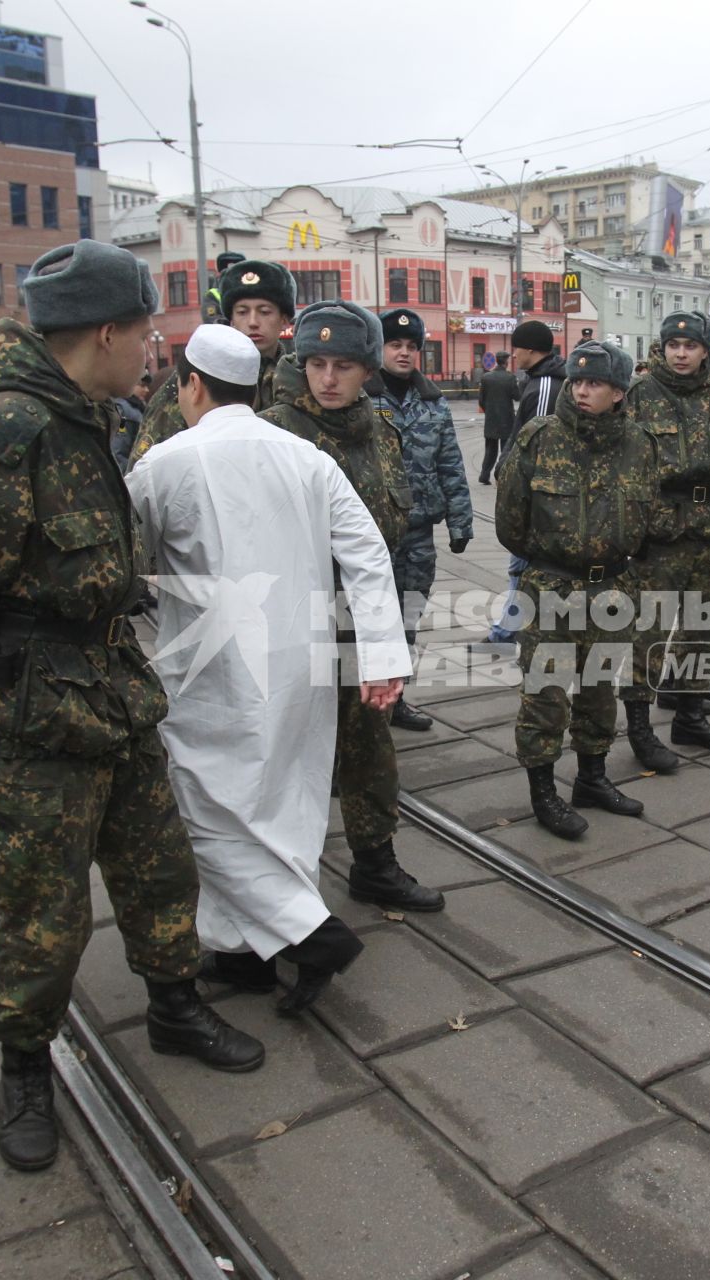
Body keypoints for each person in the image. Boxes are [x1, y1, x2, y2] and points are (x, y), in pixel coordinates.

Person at [0, 239, 265, 1175]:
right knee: (43, 913)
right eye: (147, 332)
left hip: (111, 690)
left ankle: (173, 1007)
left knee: (159, 867)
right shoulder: (8, 433)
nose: (158, 351)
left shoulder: (88, 416)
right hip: (32, 714)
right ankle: (24, 1068)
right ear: (103, 333)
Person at [128, 325, 408, 1015]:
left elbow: (124, 556)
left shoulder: (165, 461)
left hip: (212, 666)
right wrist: (382, 659)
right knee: (286, 804)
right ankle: (242, 955)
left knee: (207, 809)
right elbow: (369, 556)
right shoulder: (307, 458)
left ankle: (312, 936)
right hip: (302, 662)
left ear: (190, 384)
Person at [263, 300, 443, 913]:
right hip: (291, 626)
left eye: (343, 364)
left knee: (369, 746)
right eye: (317, 363)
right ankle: (281, 884)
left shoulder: (380, 432)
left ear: (366, 369)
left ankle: (374, 861)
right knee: (284, 755)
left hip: (361, 621)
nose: (329, 378)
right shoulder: (272, 434)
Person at [497, 340, 655, 839]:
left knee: (599, 690)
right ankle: (543, 792)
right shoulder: (539, 437)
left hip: (611, 588)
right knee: (546, 693)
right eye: (579, 382)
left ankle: (592, 777)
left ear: (619, 393)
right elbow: (509, 520)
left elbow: (645, 514)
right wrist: (556, 556)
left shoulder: (638, 443)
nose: (584, 391)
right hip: (552, 586)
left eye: (597, 384)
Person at [619, 311, 710, 759]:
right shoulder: (637, 396)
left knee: (704, 628)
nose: (681, 354)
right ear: (662, 346)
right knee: (647, 633)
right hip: (659, 533)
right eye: (673, 346)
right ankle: (639, 727)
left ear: (703, 350)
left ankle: (690, 718)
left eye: (690, 347)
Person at [368, 308, 472, 732]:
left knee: (408, 617)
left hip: (418, 533)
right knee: (366, 619)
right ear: (380, 348)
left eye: (412, 347)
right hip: (371, 534)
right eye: (396, 345)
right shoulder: (362, 397)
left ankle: (396, 698)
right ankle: (362, 707)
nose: (405, 353)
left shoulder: (433, 401)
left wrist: (460, 520)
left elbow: (450, 463)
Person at [132, 259, 296, 465]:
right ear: (231, 320)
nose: (253, 322)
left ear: (284, 319)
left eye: (264, 312)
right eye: (242, 312)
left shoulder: (295, 378)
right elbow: (149, 455)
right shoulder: (199, 373)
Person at [484, 320, 565, 647]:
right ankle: (507, 630)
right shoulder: (536, 380)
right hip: (529, 496)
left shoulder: (545, 384)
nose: (513, 353)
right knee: (521, 567)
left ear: (531, 350)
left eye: (517, 347)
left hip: (536, 499)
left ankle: (509, 632)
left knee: (524, 567)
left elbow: (538, 445)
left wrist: (517, 486)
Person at [477, 351, 519, 482]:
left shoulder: (486, 377)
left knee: (490, 449)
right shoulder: (510, 377)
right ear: (506, 362)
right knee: (506, 450)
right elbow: (517, 397)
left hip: (491, 419)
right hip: (507, 420)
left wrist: (489, 412)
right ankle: (502, 476)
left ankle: (484, 475)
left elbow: (481, 401)